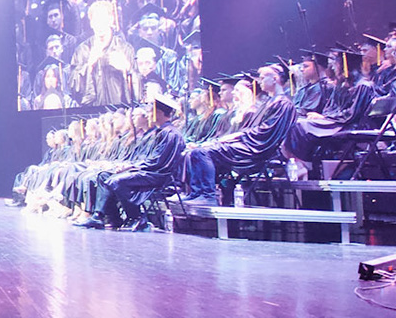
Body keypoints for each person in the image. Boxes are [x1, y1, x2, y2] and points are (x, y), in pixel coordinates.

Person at [184, 65, 296, 204]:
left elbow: (264, 133)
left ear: (274, 79)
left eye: (262, 78)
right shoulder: (269, 102)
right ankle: (197, 193)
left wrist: (235, 137)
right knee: (195, 152)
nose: (259, 81)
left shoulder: (282, 104)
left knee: (202, 153)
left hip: (257, 148)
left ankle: (207, 196)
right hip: (249, 143)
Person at [82, 95, 186, 230]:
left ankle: (136, 217)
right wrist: (127, 166)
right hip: (147, 170)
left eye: (150, 112)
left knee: (116, 181)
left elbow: (157, 162)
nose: (148, 115)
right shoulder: (159, 132)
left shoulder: (170, 134)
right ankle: (106, 217)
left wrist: (131, 167)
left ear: (159, 113)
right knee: (103, 176)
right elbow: (146, 158)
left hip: (158, 174)